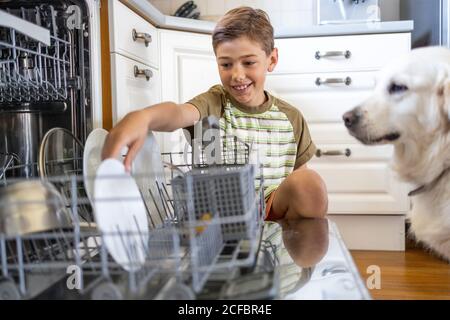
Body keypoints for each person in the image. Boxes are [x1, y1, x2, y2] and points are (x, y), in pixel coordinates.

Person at [102, 6, 328, 221]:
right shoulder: (215, 102)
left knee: (310, 186)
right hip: (221, 215)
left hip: (270, 209)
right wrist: (144, 117)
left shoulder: (291, 118)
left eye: (248, 62)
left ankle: (289, 253)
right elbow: (178, 113)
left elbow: (299, 183)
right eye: (226, 65)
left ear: (272, 59)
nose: (237, 75)